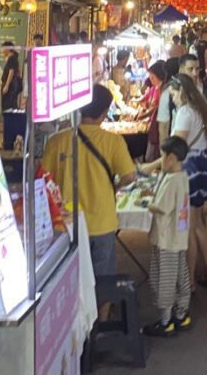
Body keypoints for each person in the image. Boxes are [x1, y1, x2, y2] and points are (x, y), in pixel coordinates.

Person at [42, 84, 136, 281]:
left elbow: (44, 181)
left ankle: (76, 312)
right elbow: (129, 176)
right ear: (104, 112)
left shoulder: (56, 141)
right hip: (101, 221)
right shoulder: (113, 142)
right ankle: (101, 313)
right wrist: (114, 187)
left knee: (70, 279)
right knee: (103, 279)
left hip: (66, 224)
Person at [168, 74, 207, 285]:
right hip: (202, 166)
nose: (172, 99)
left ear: (181, 91)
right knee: (198, 223)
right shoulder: (200, 110)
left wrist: (155, 165)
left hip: (190, 168)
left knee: (190, 227)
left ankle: (189, 280)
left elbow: (177, 145)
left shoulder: (185, 112)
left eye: (173, 94)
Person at [144, 135, 192, 338]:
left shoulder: (171, 180)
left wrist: (145, 203)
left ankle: (165, 322)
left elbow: (162, 207)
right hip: (179, 237)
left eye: (163, 156)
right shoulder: (182, 177)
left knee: (164, 278)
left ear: (171, 158)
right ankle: (181, 314)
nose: (161, 159)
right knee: (181, 276)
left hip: (166, 239)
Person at [143, 61, 168, 162]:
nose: (150, 79)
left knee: (152, 157)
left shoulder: (164, 91)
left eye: (152, 77)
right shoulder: (157, 88)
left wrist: (142, 116)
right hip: (154, 128)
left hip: (157, 129)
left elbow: (156, 108)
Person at [0, 42, 22, 111]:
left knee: (8, 105)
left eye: (3, 49)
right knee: (10, 104)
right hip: (12, 85)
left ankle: (10, 120)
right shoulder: (13, 58)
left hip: (10, 86)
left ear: (8, 49)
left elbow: (11, 72)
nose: (2, 51)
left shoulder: (12, 58)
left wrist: (6, 86)